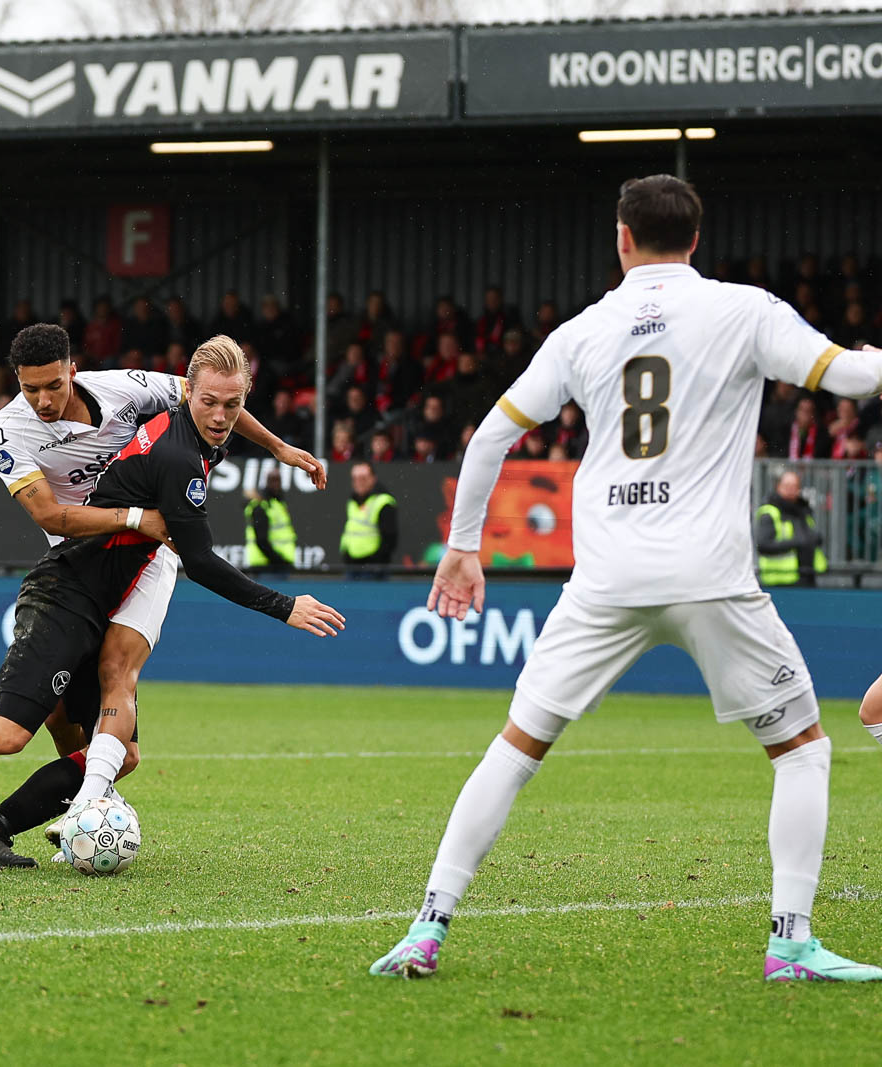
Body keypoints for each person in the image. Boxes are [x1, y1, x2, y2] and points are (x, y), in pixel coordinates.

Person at [368, 175, 882, 982]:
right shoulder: (744, 310)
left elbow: (490, 438)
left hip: (605, 579)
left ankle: (425, 927)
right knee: (801, 749)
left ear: (621, 238)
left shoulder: (586, 330)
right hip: (709, 575)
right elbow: (854, 380)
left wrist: (463, 547)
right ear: (696, 239)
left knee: (515, 748)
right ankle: (790, 942)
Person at [0, 334, 342, 868]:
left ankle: (20, 821)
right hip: (72, 578)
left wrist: (279, 447)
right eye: (209, 403)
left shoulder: (145, 399)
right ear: (189, 393)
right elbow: (194, 559)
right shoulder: (171, 458)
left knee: (116, 737)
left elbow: (219, 412)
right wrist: (284, 606)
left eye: (232, 405)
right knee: (18, 731)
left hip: (123, 572)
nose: (220, 416)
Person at [755, 469, 826, 588]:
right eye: (787, 485)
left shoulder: (803, 510)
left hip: (807, 577)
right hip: (780, 580)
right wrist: (796, 542)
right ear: (778, 486)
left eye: (795, 486)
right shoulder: (770, 512)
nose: (791, 490)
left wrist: (815, 538)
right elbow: (763, 545)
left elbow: (808, 537)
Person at [340, 461, 397, 574]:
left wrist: (376, 562)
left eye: (363, 478)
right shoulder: (353, 501)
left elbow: (390, 538)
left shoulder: (383, 502)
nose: (358, 482)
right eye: (355, 478)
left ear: (373, 479)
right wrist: (346, 554)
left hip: (373, 570)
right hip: (352, 566)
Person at [244, 469, 296, 575]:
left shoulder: (278, 504)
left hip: (277, 566)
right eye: (273, 481)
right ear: (266, 482)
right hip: (266, 566)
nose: (276, 484)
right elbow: (261, 540)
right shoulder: (261, 506)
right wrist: (279, 561)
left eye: (278, 480)